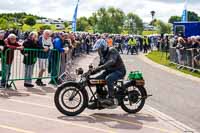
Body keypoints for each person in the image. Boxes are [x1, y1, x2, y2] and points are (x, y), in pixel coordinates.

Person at [92, 35, 126, 106]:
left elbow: (112, 61)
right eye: (98, 50)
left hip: (119, 71)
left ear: (103, 47)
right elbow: (100, 66)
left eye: (99, 49)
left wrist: (100, 67)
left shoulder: (112, 50)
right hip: (110, 71)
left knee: (109, 78)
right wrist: (92, 71)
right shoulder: (102, 55)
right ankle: (100, 97)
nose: (99, 52)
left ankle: (111, 99)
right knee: (96, 79)